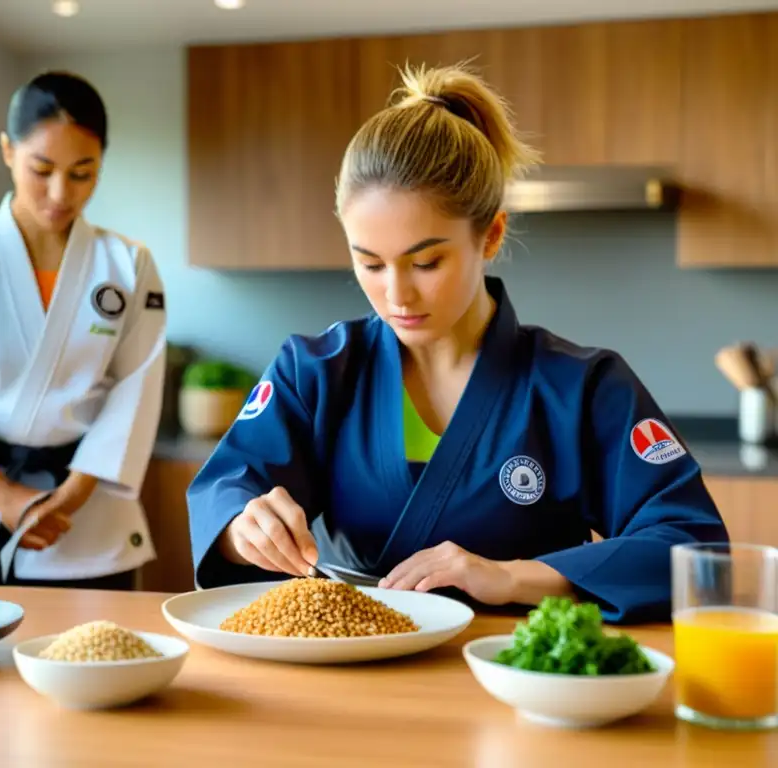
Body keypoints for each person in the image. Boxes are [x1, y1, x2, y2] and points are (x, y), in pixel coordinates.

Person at [185, 62, 729, 623]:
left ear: (490, 234)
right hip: (347, 665)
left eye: (426, 262)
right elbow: (226, 489)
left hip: (518, 674)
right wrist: (241, 527)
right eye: (368, 263)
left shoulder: (582, 387)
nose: (395, 294)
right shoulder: (316, 370)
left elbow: (691, 545)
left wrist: (512, 576)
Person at [0, 71, 166, 590]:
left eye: (83, 173)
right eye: (40, 169)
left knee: (95, 665)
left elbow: (138, 390)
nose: (60, 193)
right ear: (7, 150)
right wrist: (3, 497)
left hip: (82, 518)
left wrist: (72, 495)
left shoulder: (129, 265)